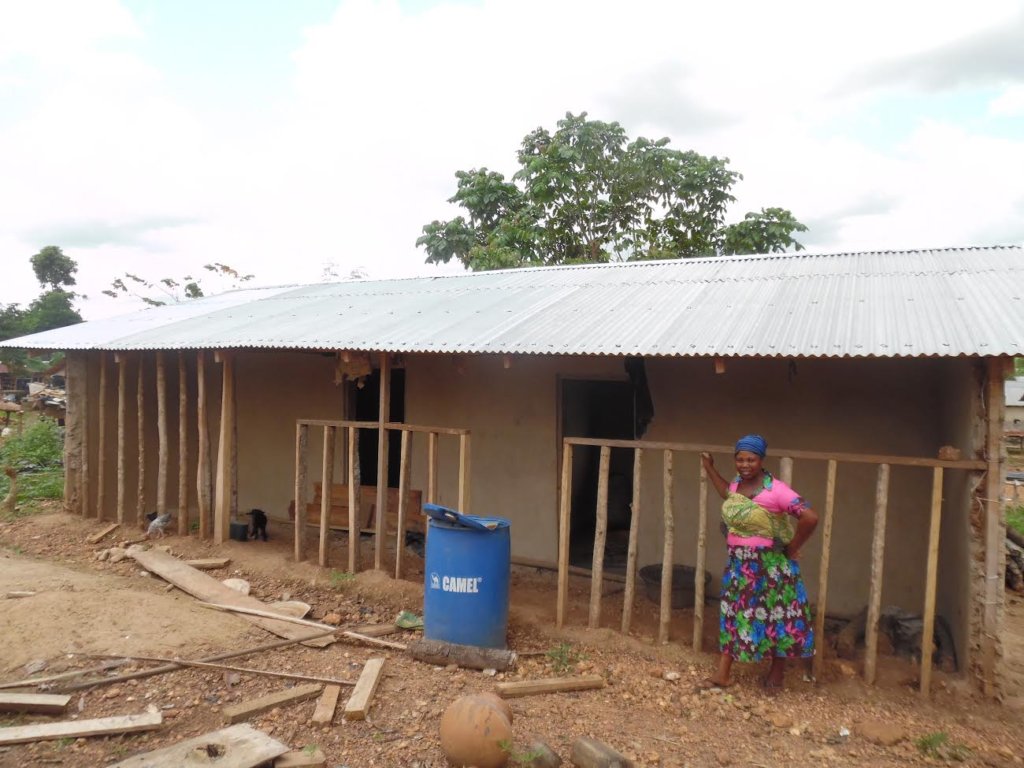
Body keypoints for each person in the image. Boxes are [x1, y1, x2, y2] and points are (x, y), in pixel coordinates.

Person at [699, 434, 819, 694]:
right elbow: (727, 493)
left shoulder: (777, 490)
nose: (745, 465)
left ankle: (777, 673)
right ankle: (722, 674)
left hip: (770, 566)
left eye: (751, 460)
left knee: (778, 615)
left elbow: (810, 517)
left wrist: (792, 547)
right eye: (740, 460)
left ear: (761, 460)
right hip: (740, 564)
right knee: (733, 613)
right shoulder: (737, 485)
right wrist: (709, 468)